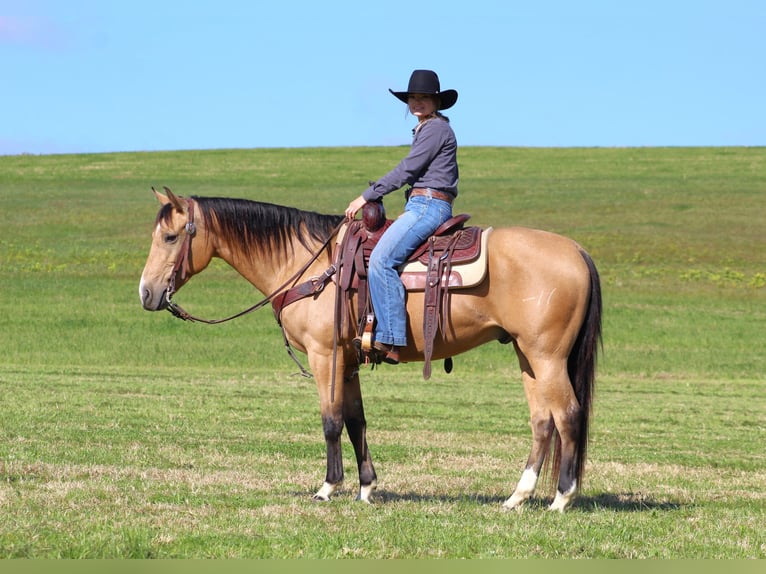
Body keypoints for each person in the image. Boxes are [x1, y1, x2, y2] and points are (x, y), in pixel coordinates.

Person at [345, 69, 459, 365]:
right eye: (413, 97)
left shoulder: (435, 129)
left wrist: (367, 196)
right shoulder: (427, 129)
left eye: (424, 98)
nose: (417, 102)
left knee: (381, 261)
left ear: (436, 102)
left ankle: (392, 337)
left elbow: (407, 170)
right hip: (422, 204)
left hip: (427, 206)